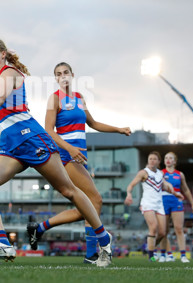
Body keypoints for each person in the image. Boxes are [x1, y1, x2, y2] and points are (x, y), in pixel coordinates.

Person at [0, 37, 113, 267]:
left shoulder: (9, 72)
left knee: (69, 191)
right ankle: (3, 244)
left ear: (3, 54)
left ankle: (104, 239)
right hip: (11, 147)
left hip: (32, 139)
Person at [27, 62, 131, 264]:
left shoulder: (79, 98)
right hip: (65, 157)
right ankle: (91, 254)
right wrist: (70, 148)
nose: (62, 76)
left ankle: (39, 228)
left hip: (77, 158)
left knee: (85, 207)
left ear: (72, 75)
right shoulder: (54, 98)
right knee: (95, 200)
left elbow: (92, 123)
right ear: (56, 79)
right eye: (58, 74)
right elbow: (48, 130)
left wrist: (118, 129)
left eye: (65, 72)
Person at [124, 151, 184, 262]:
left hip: (159, 204)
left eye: (154, 159)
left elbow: (166, 186)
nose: (152, 161)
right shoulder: (143, 172)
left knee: (162, 232)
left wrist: (176, 194)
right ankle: (151, 256)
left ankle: (150, 247)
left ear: (158, 161)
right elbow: (131, 185)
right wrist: (129, 194)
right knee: (153, 227)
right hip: (147, 203)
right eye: (150, 158)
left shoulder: (160, 173)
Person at [159, 152, 193, 263]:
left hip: (177, 202)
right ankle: (164, 254)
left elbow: (185, 190)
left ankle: (183, 256)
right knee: (163, 231)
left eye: (170, 158)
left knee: (179, 229)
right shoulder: (160, 173)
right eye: (166, 158)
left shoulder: (180, 174)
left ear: (175, 161)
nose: (168, 160)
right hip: (163, 201)